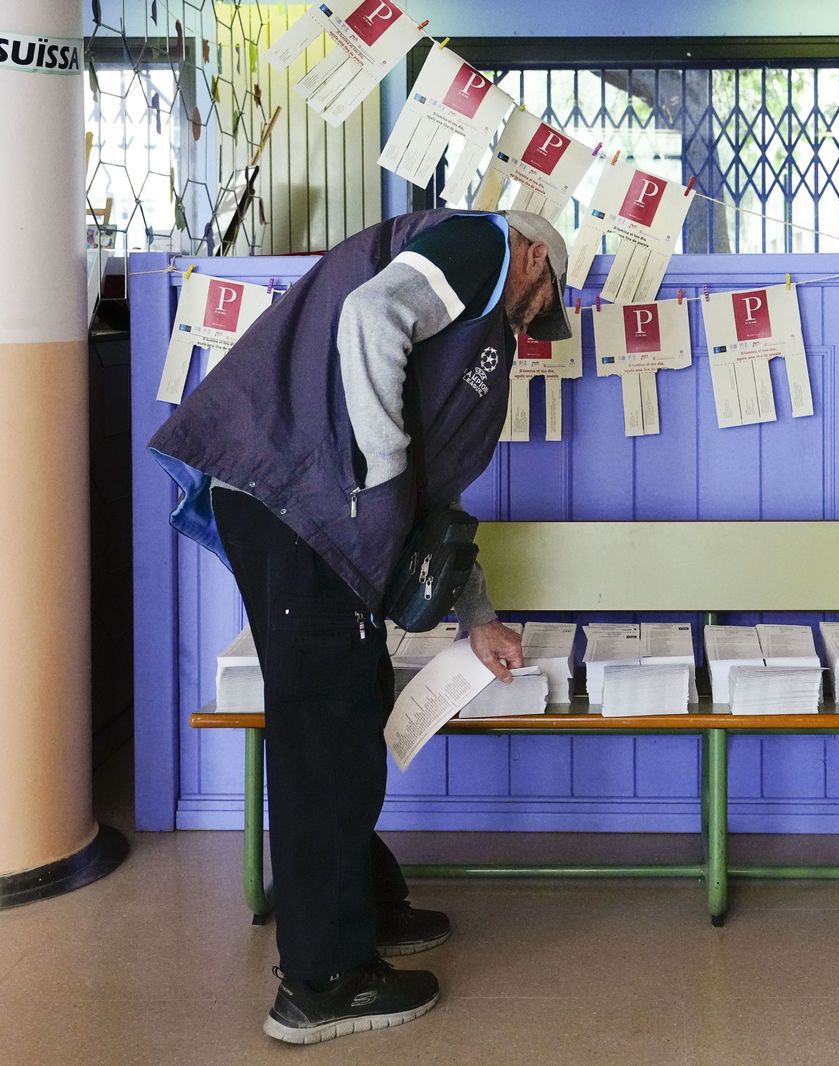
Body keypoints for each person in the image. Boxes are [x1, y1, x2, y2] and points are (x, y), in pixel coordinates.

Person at [148, 209, 573, 1045]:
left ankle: (365, 909)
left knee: (351, 704)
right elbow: (369, 317)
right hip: (299, 504)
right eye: (545, 295)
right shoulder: (480, 244)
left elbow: (436, 504)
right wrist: (380, 475)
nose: (536, 320)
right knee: (325, 732)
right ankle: (322, 982)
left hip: (309, 515)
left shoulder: (478, 340)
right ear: (534, 252)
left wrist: (477, 618)